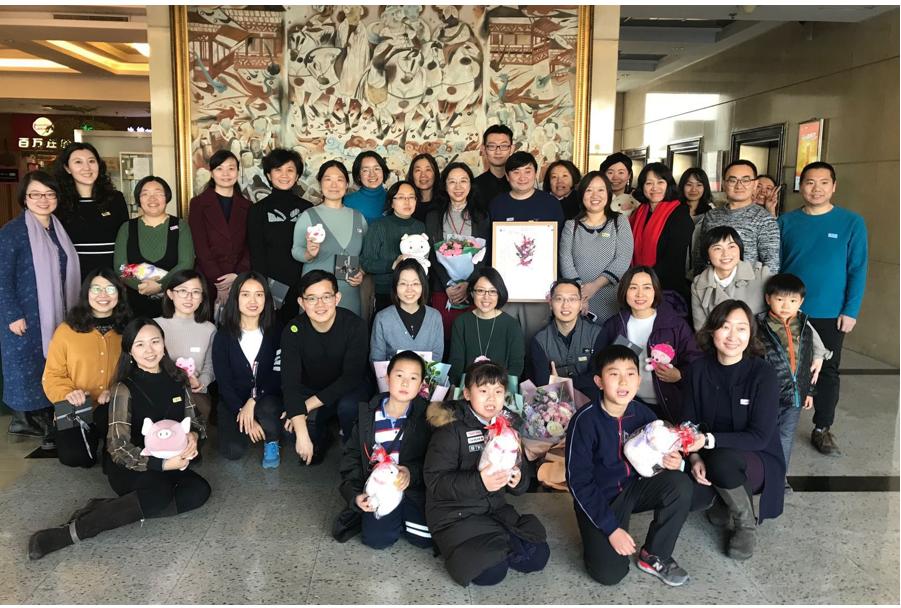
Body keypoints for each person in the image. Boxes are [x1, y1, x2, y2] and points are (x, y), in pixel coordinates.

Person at [27, 318, 210, 560]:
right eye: (140, 344)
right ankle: (72, 532)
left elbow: (196, 421)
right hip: (131, 465)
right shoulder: (124, 388)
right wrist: (162, 464)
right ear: (130, 351)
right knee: (158, 495)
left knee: (199, 491)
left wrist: (193, 436)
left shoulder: (177, 379)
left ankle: (105, 507)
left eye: (155, 342)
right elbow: (118, 447)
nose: (149, 350)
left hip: (172, 460)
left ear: (163, 344)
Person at [566, 345, 699, 587]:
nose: (623, 381)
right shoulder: (584, 421)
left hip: (635, 489)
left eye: (630, 373)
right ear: (599, 382)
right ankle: (597, 539)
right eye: (614, 374)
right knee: (609, 575)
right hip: (601, 498)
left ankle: (654, 555)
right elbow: (579, 483)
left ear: (638, 381)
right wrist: (611, 529)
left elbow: (659, 454)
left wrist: (673, 462)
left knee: (679, 484)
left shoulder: (644, 414)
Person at [424, 360, 549, 586]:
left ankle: (501, 545)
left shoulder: (505, 427)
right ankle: (496, 548)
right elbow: (435, 482)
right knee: (492, 574)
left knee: (538, 556)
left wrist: (518, 479)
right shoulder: (451, 428)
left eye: (498, 391)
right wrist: (480, 483)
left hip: (494, 508)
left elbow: (520, 474)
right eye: (483, 391)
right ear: (467, 394)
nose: (491, 399)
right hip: (454, 514)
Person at [682, 300, 785, 561]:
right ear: (712, 330)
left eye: (741, 328)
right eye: (725, 327)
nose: (732, 336)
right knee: (686, 492)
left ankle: (745, 524)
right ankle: (723, 498)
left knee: (721, 461)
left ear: (750, 334)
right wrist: (694, 457)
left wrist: (707, 441)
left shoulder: (762, 374)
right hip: (705, 452)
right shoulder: (697, 370)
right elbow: (687, 423)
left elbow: (759, 437)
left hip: (756, 456)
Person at [778, 161, 867, 456]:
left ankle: (822, 428)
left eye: (823, 182)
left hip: (830, 312)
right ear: (801, 186)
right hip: (789, 310)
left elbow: (857, 269)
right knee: (783, 367)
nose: (816, 189)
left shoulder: (851, 222)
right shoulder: (786, 222)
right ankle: (776, 422)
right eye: (809, 182)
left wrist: (851, 310)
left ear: (834, 186)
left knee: (827, 370)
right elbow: (776, 266)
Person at [0, 171, 80, 443]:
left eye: (49, 194)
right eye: (35, 194)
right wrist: (12, 314)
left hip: (57, 313)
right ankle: (29, 421)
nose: (43, 200)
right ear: (24, 198)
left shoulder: (58, 229)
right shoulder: (12, 232)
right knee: (28, 367)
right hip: (25, 314)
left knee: (52, 364)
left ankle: (47, 419)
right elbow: (2, 277)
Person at [336, 351, 432, 548]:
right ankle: (393, 518)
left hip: (411, 489)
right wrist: (355, 495)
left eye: (413, 378)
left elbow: (434, 459)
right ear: (387, 378)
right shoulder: (368, 415)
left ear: (422, 385)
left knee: (424, 539)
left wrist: (411, 473)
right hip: (379, 489)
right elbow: (352, 457)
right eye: (399, 375)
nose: (405, 383)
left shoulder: (427, 417)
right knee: (376, 540)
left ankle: (401, 514)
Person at [42, 268, 129, 467]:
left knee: (115, 461)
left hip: (113, 406)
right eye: (96, 289)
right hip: (76, 407)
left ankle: (109, 441)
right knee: (76, 458)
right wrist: (68, 393)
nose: (103, 295)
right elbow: (52, 375)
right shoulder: (66, 330)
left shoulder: (129, 329)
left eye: (110, 289)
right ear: (86, 293)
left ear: (119, 294)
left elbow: (139, 371)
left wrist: (117, 390)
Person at [282, 270, 370, 465]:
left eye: (326, 297)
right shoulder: (293, 330)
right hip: (312, 388)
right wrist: (301, 431)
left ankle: (352, 445)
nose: (320, 305)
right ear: (301, 302)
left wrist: (304, 407)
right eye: (312, 298)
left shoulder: (355, 326)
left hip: (349, 389)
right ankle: (322, 435)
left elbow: (351, 377)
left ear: (337, 298)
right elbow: (290, 383)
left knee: (349, 407)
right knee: (292, 433)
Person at [597, 266, 701, 423]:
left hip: (670, 406)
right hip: (628, 406)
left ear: (655, 291)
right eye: (633, 287)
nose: (640, 294)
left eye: (646, 287)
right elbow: (600, 364)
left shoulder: (675, 324)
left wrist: (680, 375)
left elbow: (697, 362)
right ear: (624, 291)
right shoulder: (615, 326)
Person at [757, 274, 829, 489]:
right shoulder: (759, 326)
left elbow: (808, 364)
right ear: (768, 298)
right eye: (779, 299)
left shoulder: (805, 327)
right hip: (767, 396)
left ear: (801, 302)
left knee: (786, 437)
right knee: (763, 436)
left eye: (792, 300)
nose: (785, 305)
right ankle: (760, 476)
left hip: (795, 396)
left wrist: (809, 391)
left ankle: (779, 479)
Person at [212, 272, 287, 468]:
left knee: (267, 407)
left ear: (266, 299)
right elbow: (224, 382)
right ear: (235, 298)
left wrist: (253, 401)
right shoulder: (223, 336)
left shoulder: (277, 331)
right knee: (233, 451)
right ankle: (252, 425)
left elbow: (278, 374)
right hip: (234, 400)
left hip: (266, 397)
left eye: (259, 294)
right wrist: (243, 411)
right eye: (245, 294)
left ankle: (272, 440)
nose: (253, 301)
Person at [489, 151, 565, 345]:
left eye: (527, 171)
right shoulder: (497, 204)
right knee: (503, 339)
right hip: (505, 288)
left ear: (535, 173)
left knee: (536, 340)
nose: (522, 177)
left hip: (539, 289)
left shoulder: (550, 204)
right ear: (507, 177)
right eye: (516, 172)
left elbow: (559, 245)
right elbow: (490, 245)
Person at [292, 160, 368, 317]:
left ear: (347, 184)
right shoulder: (308, 215)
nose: (334, 185)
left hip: (349, 293)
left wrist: (361, 272)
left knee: (349, 330)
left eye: (339, 179)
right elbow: (296, 250)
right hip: (317, 297)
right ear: (320, 184)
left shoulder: (358, 217)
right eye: (328, 179)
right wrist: (309, 254)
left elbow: (366, 254)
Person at [424, 162, 491, 338]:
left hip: (473, 289)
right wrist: (448, 283)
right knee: (445, 337)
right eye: (452, 181)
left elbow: (484, 254)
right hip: (442, 288)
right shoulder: (434, 216)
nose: (458, 187)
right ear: (445, 185)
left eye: (463, 181)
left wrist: (469, 283)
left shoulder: (481, 216)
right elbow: (432, 254)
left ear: (470, 184)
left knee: (471, 337)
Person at [247, 148, 313, 323]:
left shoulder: (308, 208)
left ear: (297, 176)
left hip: (304, 282)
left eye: (290, 170)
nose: (284, 175)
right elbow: (256, 253)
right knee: (274, 329)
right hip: (272, 285)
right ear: (269, 175)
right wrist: (264, 287)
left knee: (303, 329)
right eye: (278, 170)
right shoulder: (257, 210)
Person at [113, 176, 195, 318]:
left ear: (166, 197)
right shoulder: (127, 228)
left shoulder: (180, 226)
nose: (152, 198)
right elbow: (120, 267)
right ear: (139, 199)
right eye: (145, 194)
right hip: (134, 305)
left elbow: (186, 263)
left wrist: (161, 285)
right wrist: (141, 286)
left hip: (174, 303)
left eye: (158, 193)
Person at [559, 171, 633, 324]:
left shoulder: (619, 222)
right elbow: (565, 261)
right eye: (589, 190)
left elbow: (623, 258)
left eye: (600, 190)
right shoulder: (571, 226)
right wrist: (581, 293)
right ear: (582, 195)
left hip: (611, 299)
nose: (595, 195)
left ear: (608, 194)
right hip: (578, 299)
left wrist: (594, 286)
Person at [52, 142, 129, 280]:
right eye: (78, 162)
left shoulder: (115, 199)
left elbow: (125, 238)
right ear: (67, 168)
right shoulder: (59, 202)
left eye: (91, 161)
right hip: (74, 276)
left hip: (110, 276)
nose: (86, 167)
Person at [691, 160, 780, 276]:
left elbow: (771, 266)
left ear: (755, 184)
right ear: (724, 184)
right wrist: (700, 282)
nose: (739, 185)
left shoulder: (765, 220)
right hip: (710, 284)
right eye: (732, 180)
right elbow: (700, 256)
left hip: (748, 286)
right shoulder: (711, 215)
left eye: (746, 180)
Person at [188, 149, 252, 309]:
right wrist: (220, 283)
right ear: (211, 173)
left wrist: (237, 276)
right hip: (208, 277)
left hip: (239, 278)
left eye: (231, 168)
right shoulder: (198, 204)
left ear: (238, 171)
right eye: (219, 168)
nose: (226, 174)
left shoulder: (247, 206)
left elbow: (250, 245)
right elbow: (200, 246)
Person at [629, 162, 696, 307]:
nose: (655, 188)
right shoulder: (639, 212)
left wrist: (645, 281)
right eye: (649, 183)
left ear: (668, 185)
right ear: (642, 186)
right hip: (637, 288)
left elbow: (673, 260)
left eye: (660, 182)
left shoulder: (680, 215)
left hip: (666, 291)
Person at [155, 269, 216, 421]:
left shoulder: (209, 329)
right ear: (170, 294)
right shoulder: (155, 325)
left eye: (195, 292)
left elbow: (210, 367)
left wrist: (200, 383)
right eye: (182, 291)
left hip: (195, 395)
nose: (189, 297)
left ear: (202, 297)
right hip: (160, 391)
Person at [448, 268, 525, 385]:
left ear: (499, 294)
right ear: (472, 293)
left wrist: (498, 390)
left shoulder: (512, 325)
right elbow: (456, 364)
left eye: (492, 291)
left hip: (501, 389)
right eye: (480, 291)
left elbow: (516, 366)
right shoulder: (461, 322)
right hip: (468, 388)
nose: (486, 297)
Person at [360, 180, 428, 313]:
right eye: (401, 197)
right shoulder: (378, 226)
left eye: (411, 197)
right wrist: (393, 264)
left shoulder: (420, 226)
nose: (407, 202)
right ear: (391, 202)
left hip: (415, 292)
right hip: (386, 292)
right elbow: (366, 262)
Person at [530, 279, 604, 397]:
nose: (565, 305)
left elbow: (599, 376)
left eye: (572, 299)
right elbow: (542, 383)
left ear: (581, 304)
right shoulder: (539, 340)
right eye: (559, 299)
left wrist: (560, 383)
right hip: (554, 403)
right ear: (550, 303)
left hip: (593, 402)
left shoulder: (597, 334)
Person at [690, 226, 772, 331]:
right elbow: (701, 329)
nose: (726, 254)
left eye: (731, 246)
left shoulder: (761, 275)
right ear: (707, 255)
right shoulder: (699, 285)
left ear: (740, 249)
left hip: (758, 339)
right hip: (718, 340)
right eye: (717, 248)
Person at [370, 259, 444, 363]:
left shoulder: (434, 317)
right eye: (403, 283)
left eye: (415, 283)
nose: (409, 289)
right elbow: (377, 360)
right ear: (395, 286)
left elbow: (437, 358)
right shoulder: (382, 318)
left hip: (426, 375)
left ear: (423, 286)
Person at [473, 124, 513, 211]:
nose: (498, 152)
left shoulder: (521, 183)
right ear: (483, 149)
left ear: (512, 149)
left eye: (504, 146)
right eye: (492, 146)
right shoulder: (474, 186)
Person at [345, 150, 389, 224]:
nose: (372, 174)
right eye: (365, 170)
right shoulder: (347, 202)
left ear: (383, 172)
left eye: (376, 169)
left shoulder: (394, 199)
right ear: (358, 176)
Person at [407, 153, 441, 222]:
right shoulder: (406, 204)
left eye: (428, 170)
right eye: (418, 170)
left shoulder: (445, 203)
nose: (423, 175)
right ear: (412, 175)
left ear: (435, 174)